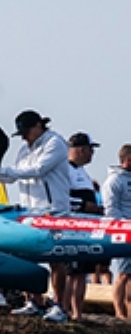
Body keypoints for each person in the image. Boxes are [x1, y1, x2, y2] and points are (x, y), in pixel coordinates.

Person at [0, 110, 72, 322]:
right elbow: (13, 177)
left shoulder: (55, 143)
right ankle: (35, 301)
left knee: (56, 259)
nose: (25, 136)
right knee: (29, 257)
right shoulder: (24, 149)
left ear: (39, 125)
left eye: (27, 131)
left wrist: (3, 169)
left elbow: (38, 169)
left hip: (53, 209)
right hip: (30, 212)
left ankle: (59, 306)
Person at [62, 133, 103, 320]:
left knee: (83, 272)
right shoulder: (65, 170)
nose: (92, 154)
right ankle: (67, 309)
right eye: (90, 150)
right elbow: (63, 198)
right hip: (73, 227)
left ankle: (77, 311)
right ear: (81, 150)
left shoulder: (82, 172)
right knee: (73, 272)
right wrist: (85, 206)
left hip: (87, 227)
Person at [104, 144, 131, 322]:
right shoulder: (114, 181)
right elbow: (110, 208)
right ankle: (118, 312)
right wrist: (122, 226)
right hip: (124, 231)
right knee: (122, 274)